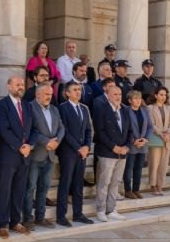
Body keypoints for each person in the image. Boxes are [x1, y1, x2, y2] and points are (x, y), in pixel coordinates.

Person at [0, 76, 33, 238]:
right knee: (5, 190)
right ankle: (2, 223)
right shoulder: (1, 105)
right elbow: (3, 130)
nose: (20, 87)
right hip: (7, 155)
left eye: (22, 84)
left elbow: (34, 129)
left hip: (25, 155)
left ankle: (15, 221)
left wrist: (29, 145)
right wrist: (19, 146)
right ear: (9, 86)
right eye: (17, 84)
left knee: (19, 190)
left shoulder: (27, 106)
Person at [23, 84, 64, 230]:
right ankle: (27, 218)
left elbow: (61, 128)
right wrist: (47, 141)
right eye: (46, 94)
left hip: (50, 155)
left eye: (51, 94)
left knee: (44, 187)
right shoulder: (29, 107)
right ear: (37, 94)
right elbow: (31, 130)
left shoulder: (54, 109)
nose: (49, 97)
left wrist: (56, 142)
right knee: (30, 188)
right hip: (36, 155)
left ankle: (40, 217)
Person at [57, 81, 94, 226]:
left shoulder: (84, 109)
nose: (78, 92)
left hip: (82, 152)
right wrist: (78, 147)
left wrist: (86, 147)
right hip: (68, 152)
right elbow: (64, 131)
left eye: (79, 89)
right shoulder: (62, 108)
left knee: (78, 184)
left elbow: (88, 130)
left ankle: (78, 214)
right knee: (65, 183)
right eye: (75, 90)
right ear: (67, 93)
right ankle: (61, 216)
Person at [93, 85, 132, 222]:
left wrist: (127, 146)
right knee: (104, 183)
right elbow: (100, 131)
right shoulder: (102, 109)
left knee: (115, 182)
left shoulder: (125, 110)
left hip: (123, 153)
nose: (118, 97)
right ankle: (101, 210)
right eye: (115, 94)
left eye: (120, 94)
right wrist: (113, 147)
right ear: (108, 95)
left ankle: (111, 209)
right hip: (106, 152)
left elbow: (130, 131)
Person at [123, 90, 152, 199]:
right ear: (130, 100)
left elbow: (150, 126)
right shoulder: (126, 111)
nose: (138, 100)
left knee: (139, 168)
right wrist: (133, 141)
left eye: (139, 98)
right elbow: (126, 128)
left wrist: (145, 139)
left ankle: (136, 189)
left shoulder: (144, 110)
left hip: (143, 143)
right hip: (131, 144)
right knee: (129, 168)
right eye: (135, 98)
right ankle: (128, 190)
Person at [147, 86, 170, 196]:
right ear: (156, 95)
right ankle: (153, 185)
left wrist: (168, 133)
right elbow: (151, 124)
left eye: (165, 95)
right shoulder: (150, 108)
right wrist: (161, 134)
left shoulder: (169, 108)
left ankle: (160, 185)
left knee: (163, 164)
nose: (163, 97)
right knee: (154, 164)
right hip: (155, 139)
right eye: (161, 94)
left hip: (166, 140)